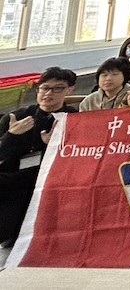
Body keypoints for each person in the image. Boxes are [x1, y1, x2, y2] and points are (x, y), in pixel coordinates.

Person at [0, 67, 77, 244]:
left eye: (57, 88)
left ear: (69, 90)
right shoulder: (16, 117)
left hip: (50, 181)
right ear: (38, 90)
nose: (49, 94)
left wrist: (54, 145)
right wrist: (11, 136)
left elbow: (80, 158)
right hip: (14, 180)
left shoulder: (74, 118)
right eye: (45, 88)